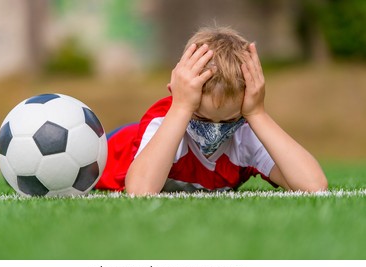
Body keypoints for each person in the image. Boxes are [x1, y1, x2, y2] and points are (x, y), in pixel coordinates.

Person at [95, 26, 328, 195]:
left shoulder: (247, 131)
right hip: (112, 150)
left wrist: (257, 114)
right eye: (201, 117)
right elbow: (140, 191)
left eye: (228, 121)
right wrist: (181, 107)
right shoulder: (166, 117)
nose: (214, 130)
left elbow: (314, 186)